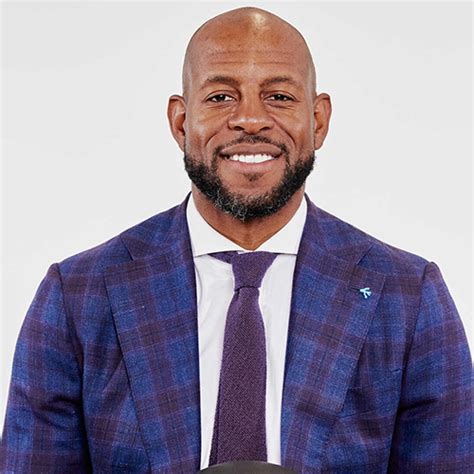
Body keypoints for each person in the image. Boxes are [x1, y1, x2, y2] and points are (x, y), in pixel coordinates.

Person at [1, 6, 472, 473]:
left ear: (319, 120)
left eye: (279, 97)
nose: (250, 119)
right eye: (221, 96)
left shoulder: (408, 297)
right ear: (181, 122)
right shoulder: (79, 296)